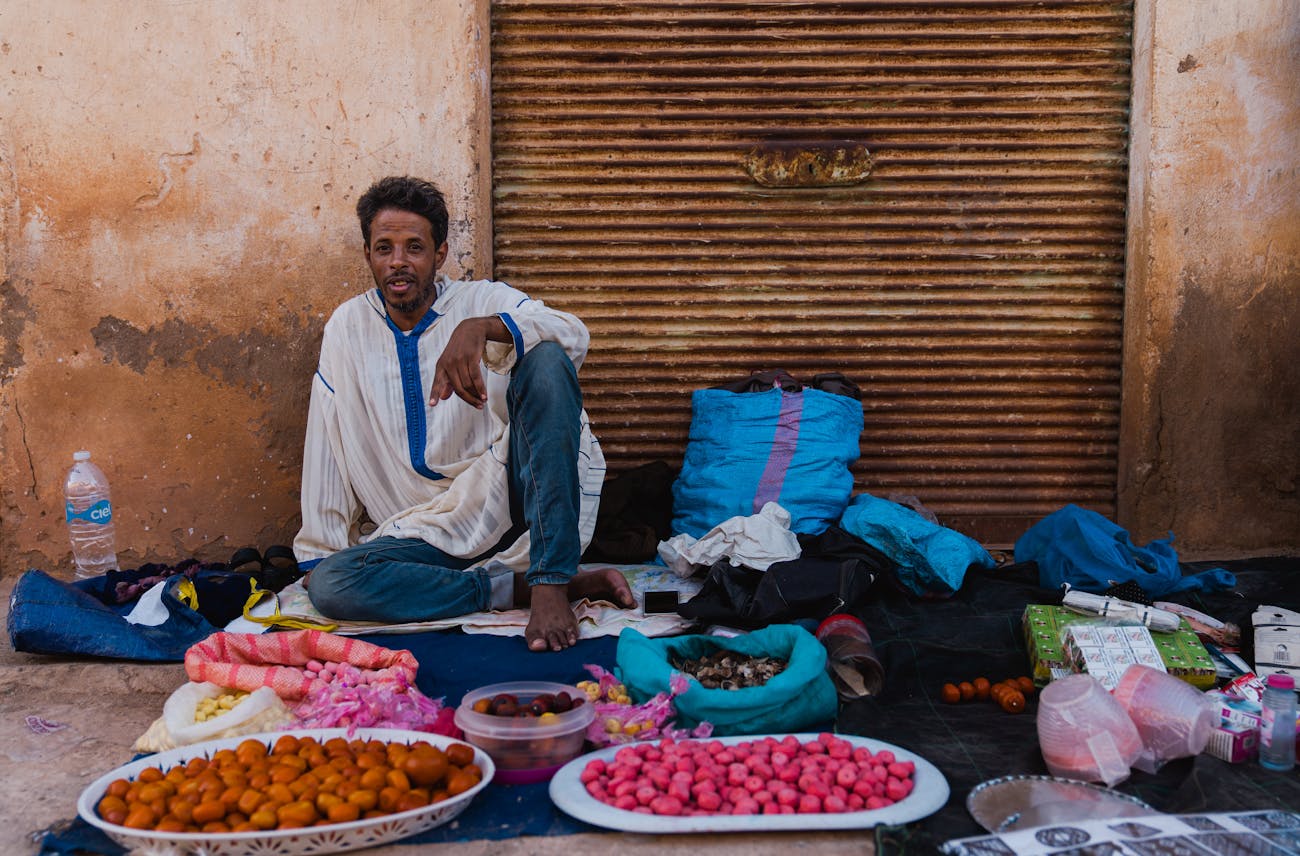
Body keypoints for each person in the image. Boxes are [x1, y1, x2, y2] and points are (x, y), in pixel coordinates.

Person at [294, 175, 633, 651]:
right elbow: (327, 437)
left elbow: (572, 331)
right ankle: (516, 591)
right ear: (368, 254)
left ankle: (551, 582)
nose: (398, 262)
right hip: (420, 535)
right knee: (334, 584)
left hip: (507, 506)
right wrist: (321, 554)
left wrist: (485, 329)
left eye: (414, 247)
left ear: (440, 253)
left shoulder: (480, 300)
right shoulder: (348, 326)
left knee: (549, 360)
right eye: (383, 248)